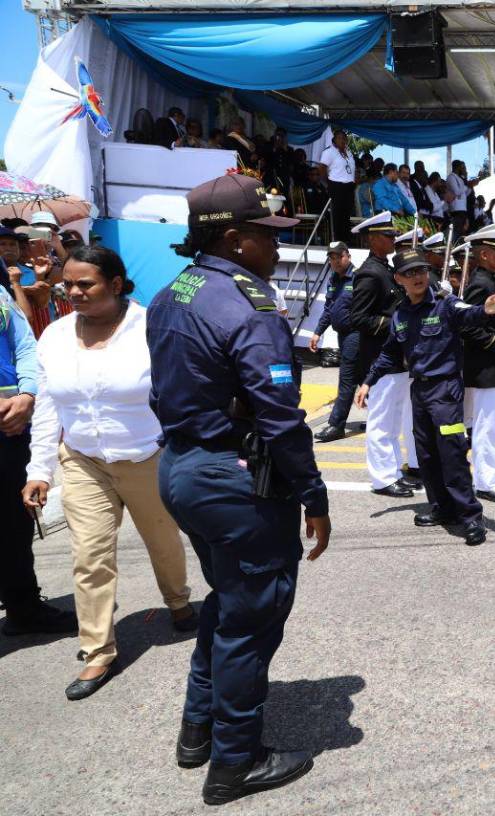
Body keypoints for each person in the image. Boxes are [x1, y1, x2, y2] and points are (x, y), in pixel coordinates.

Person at [147, 173, 329, 804]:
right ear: (234, 240)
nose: (277, 248)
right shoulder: (251, 306)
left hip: (180, 466)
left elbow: (161, 390)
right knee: (253, 617)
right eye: (266, 235)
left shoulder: (173, 293)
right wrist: (314, 495)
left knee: (227, 600)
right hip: (233, 479)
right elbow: (280, 417)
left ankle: (198, 729)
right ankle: (234, 761)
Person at [21, 246, 195, 700]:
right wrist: (39, 469)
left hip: (146, 457)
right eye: (68, 285)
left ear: (116, 284)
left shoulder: (151, 328)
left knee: (163, 540)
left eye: (85, 284)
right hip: (82, 461)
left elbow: (180, 392)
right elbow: (48, 410)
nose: (73, 293)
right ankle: (97, 651)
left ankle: (178, 601)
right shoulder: (55, 336)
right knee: (90, 556)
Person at [357, 252, 495, 545]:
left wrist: (485, 309)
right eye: (410, 272)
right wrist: (367, 382)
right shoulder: (400, 315)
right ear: (398, 279)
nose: (418, 276)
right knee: (426, 455)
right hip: (421, 393)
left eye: (422, 270)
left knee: (452, 452)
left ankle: (470, 518)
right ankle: (441, 507)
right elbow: (390, 351)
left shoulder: (445, 304)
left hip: (447, 393)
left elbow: (468, 313)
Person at [1, 282, 78, 637]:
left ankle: (23, 608)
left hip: (10, 424)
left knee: (14, 525)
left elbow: (23, 343)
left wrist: (29, 391)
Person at [347, 212, 421, 497]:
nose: (393, 240)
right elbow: (359, 318)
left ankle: (391, 472)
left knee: (393, 422)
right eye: (388, 236)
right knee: (381, 422)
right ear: (372, 239)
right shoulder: (369, 272)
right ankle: (382, 478)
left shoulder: (386, 269)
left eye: (392, 235)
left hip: (396, 359)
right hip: (380, 359)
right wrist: (394, 324)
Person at [460, 223, 495, 503]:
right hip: (484, 367)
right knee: (487, 427)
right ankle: (486, 481)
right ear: (484, 255)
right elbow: (468, 327)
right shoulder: (480, 283)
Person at [310, 243, 360, 442]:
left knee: (347, 378)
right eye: (331, 258)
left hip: (356, 334)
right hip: (343, 334)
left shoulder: (358, 277)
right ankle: (375, 417)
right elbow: (329, 308)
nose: (335, 261)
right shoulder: (333, 278)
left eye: (338, 257)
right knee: (363, 377)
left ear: (347, 255)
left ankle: (336, 425)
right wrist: (317, 332)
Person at [318, 131, 356, 242]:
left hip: (349, 187)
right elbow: (322, 168)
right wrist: (328, 183)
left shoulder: (348, 152)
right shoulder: (329, 151)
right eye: (339, 138)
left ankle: (346, 241)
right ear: (334, 139)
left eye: (344, 138)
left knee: (347, 215)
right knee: (337, 215)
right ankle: (337, 241)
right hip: (336, 185)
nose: (342, 140)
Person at [446, 160, 470, 235]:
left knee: (462, 231)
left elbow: (465, 194)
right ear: (457, 167)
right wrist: (466, 187)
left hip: (463, 209)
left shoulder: (460, 179)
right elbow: (456, 192)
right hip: (456, 209)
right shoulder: (451, 177)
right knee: (457, 231)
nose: (462, 169)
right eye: (461, 167)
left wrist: (470, 187)